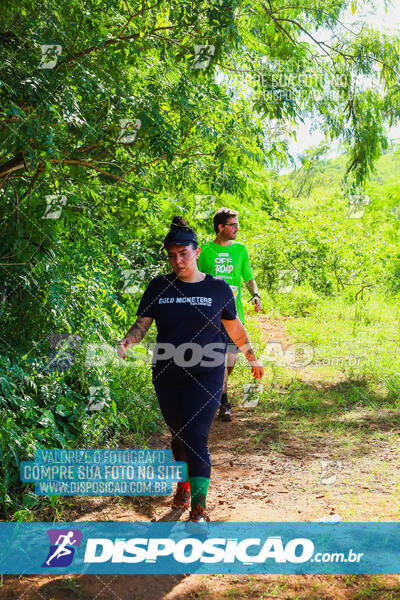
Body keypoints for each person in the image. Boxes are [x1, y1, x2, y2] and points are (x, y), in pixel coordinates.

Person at [117, 216, 263, 523]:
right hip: (167, 372)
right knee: (178, 434)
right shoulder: (159, 286)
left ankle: (199, 509)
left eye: (183, 253)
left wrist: (252, 358)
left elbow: (234, 328)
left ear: (197, 252)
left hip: (207, 371)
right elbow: (143, 324)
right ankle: (183, 485)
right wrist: (128, 341)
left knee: (195, 435)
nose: (177, 260)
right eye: (171, 255)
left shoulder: (218, 289)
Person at [197, 207, 261, 422]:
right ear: (220, 227)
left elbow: (248, 276)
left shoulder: (241, 250)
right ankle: (224, 402)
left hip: (234, 314)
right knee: (220, 357)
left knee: (230, 362)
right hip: (211, 315)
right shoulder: (204, 251)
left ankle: (216, 389)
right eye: (233, 224)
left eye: (237, 224)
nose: (237, 228)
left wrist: (255, 294)